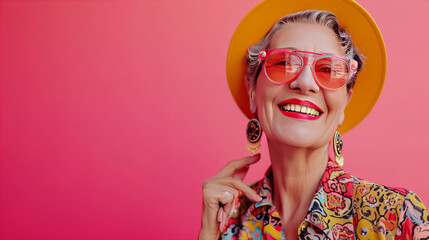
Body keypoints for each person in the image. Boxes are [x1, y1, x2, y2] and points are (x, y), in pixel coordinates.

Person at [199, 0, 429, 239]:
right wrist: (208, 233)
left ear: (345, 102)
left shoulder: (395, 218)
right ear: (252, 91)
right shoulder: (227, 222)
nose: (305, 83)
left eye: (329, 70)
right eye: (284, 63)